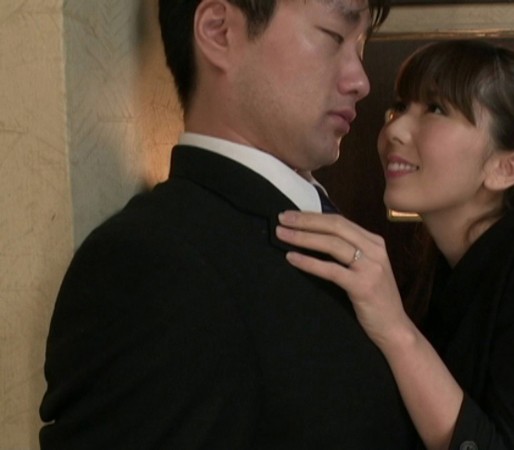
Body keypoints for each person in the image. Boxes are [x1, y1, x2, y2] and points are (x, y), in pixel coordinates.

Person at [39, 0, 419, 448]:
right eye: (333, 36)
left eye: (361, 47)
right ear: (219, 30)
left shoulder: (317, 226)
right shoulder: (150, 262)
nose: (360, 81)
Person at [275, 39, 514, 449]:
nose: (393, 129)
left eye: (436, 109)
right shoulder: (444, 265)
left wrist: (395, 329)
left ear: (505, 168)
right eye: (401, 107)